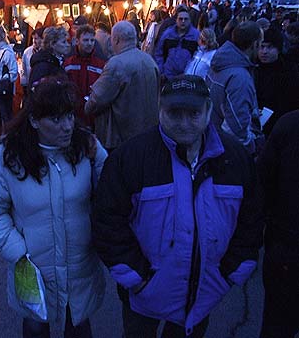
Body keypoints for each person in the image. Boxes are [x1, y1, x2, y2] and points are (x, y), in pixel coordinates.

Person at [92, 74, 263, 338]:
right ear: (160, 110)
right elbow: (107, 221)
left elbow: (250, 221)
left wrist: (227, 274)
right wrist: (138, 279)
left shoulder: (235, 160)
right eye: (174, 113)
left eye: (193, 113)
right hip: (144, 298)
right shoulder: (132, 157)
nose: (184, 124)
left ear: (208, 110)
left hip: (203, 296)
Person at [0, 78, 107, 338]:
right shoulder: (8, 157)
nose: (67, 126)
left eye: (69, 116)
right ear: (34, 120)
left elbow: (112, 193)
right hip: (32, 267)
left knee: (78, 325)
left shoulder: (87, 148)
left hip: (79, 264)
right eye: (56, 120)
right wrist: (18, 251)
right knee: (35, 326)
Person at [85, 20, 160, 152]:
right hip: (148, 133)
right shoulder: (149, 60)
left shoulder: (116, 64)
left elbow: (97, 99)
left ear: (116, 39)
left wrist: (87, 106)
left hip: (121, 137)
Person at [258, 110, 299, 338]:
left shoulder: (290, 124)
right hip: (287, 247)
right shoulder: (290, 125)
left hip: (286, 248)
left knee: (277, 325)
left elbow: (263, 185)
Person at [206, 21, 264, 155]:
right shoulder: (239, 77)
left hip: (214, 137)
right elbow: (237, 126)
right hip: (228, 150)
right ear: (255, 44)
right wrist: (252, 146)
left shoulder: (220, 62)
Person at [255, 27, 299, 137]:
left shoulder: (289, 72)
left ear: (278, 49)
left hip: (279, 127)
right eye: (262, 47)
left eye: (270, 47)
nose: (264, 52)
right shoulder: (253, 68)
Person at [63, 24, 106, 128]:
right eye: (85, 40)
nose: (90, 44)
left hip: (94, 116)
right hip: (74, 115)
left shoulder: (101, 65)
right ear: (77, 41)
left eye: (92, 40)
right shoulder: (68, 64)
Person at [155, 6, 200, 80]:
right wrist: (161, 71)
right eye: (180, 19)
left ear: (189, 20)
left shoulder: (196, 36)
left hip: (187, 77)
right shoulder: (167, 34)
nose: (183, 21)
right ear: (176, 20)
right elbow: (159, 53)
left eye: (185, 19)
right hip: (168, 76)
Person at [20, 27, 44, 99]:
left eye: (36, 38)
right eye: (33, 38)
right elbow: (24, 69)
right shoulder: (27, 52)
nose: (34, 41)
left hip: (43, 87)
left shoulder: (47, 52)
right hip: (29, 86)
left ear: (43, 39)